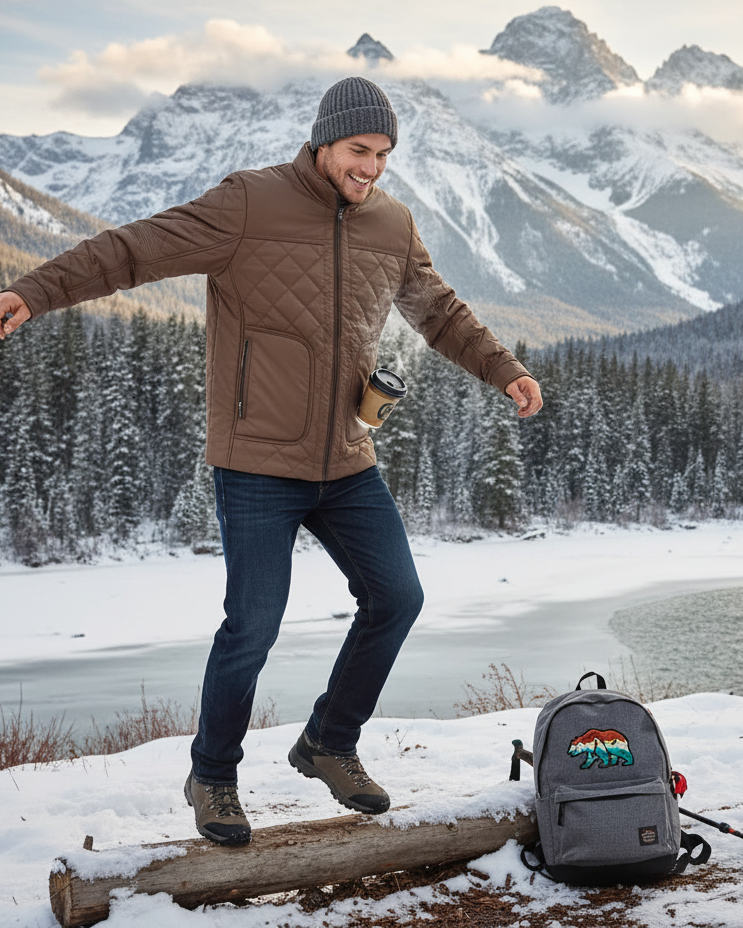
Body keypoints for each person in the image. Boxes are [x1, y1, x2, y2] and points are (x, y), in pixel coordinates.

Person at [0, 77, 542, 845]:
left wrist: (504, 370)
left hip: (348, 460)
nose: (372, 169)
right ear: (324, 141)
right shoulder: (248, 203)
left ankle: (328, 742)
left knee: (397, 598)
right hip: (256, 461)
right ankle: (212, 775)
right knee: (252, 624)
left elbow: (439, 312)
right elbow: (134, 250)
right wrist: (36, 290)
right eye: (360, 151)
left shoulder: (391, 222)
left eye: (384, 155)